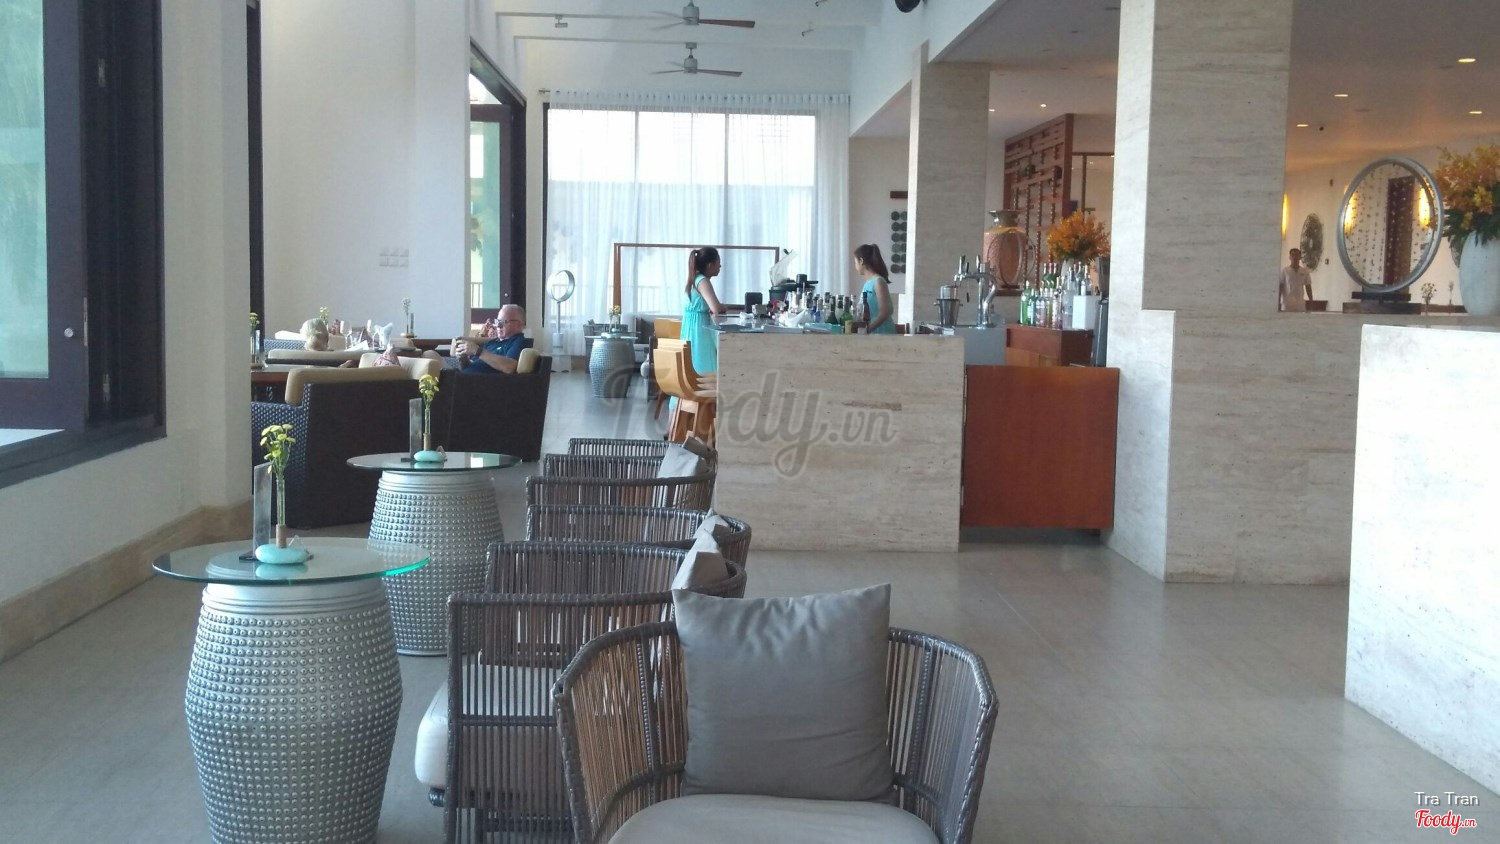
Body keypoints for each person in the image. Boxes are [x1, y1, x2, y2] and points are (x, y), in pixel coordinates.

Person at [427, 303, 533, 373]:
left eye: (504, 322)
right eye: (497, 321)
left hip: (473, 381)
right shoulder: (493, 342)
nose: (498, 326)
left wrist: (478, 351)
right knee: (428, 354)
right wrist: (463, 359)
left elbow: (509, 367)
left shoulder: (519, 342)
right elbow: (472, 364)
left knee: (429, 364)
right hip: (461, 372)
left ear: (519, 324)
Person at [681, 247, 726, 373]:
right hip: (699, 330)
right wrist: (723, 307)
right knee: (704, 367)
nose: (720, 266)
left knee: (694, 366)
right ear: (710, 265)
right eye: (718, 263)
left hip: (691, 327)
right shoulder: (703, 281)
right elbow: (716, 308)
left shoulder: (695, 279)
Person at [855, 244, 896, 334]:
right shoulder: (867, 283)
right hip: (873, 333)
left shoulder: (878, 282)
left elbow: (885, 312)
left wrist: (867, 330)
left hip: (883, 333)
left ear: (861, 261)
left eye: (855, 262)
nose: (855, 266)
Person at [1279, 247, 1313, 312]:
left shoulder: (1304, 271)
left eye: (1297, 255)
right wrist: (1278, 302)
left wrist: (1311, 301)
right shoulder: (1284, 271)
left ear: (1300, 257)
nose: (1295, 257)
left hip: (1300, 305)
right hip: (1287, 305)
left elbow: (1308, 286)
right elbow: (1280, 287)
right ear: (1290, 257)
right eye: (1293, 255)